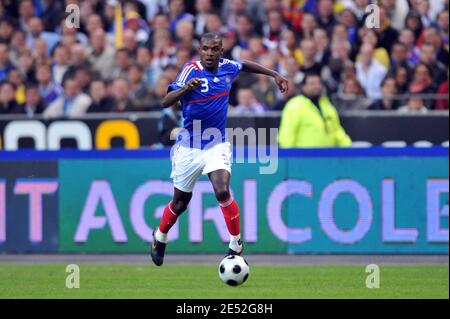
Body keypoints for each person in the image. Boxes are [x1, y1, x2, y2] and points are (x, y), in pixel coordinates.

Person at [151, 32, 288, 266]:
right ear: (199, 49)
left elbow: (245, 65)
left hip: (217, 142)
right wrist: (185, 88)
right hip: (189, 147)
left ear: (221, 51)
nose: (210, 53)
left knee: (222, 191)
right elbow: (165, 101)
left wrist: (274, 73)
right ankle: (160, 235)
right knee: (179, 204)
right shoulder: (190, 70)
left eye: (215, 49)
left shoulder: (227, 67)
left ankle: (236, 243)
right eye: (205, 49)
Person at [278, 73, 352, 148]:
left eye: (318, 83)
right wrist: (287, 156)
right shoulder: (295, 105)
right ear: (304, 87)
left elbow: (337, 130)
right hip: (303, 157)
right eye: (312, 84)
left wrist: (349, 148)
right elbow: (286, 135)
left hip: (328, 157)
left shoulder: (326, 104)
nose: (317, 86)